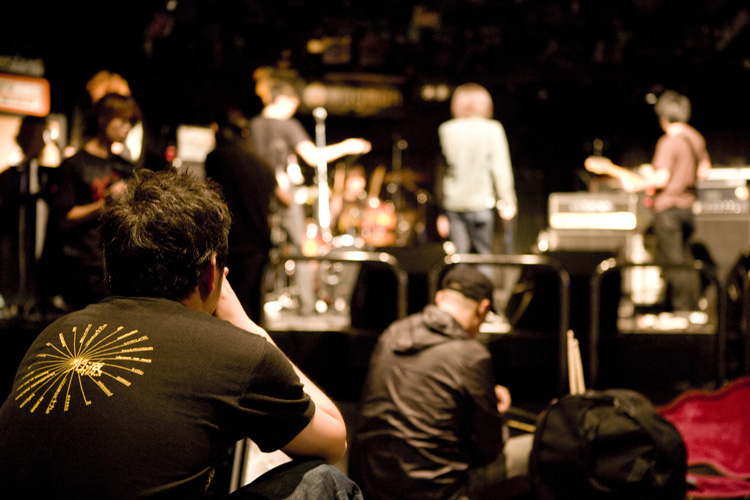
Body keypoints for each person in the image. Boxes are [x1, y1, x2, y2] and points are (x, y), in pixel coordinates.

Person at [0, 168, 360, 500]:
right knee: (326, 482)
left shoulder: (55, 335)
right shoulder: (237, 352)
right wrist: (248, 326)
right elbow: (334, 440)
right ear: (211, 271)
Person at [349, 264, 533, 500]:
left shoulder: (393, 333)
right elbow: (489, 448)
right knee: (533, 448)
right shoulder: (472, 355)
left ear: (439, 298)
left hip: (370, 485)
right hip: (437, 492)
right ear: (483, 308)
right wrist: (496, 412)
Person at [249, 76, 371, 315]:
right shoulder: (287, 125)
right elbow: (313, 157)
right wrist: (348, 146)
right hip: (284, 193)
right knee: (299, 249)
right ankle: (307, 306)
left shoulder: (253, 125)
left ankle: (256, 305)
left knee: (261, 249)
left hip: (258, 195)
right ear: (284, 101)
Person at [585, 89, 711, 315]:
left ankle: (683, 311)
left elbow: (661, 177)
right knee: (686, 259)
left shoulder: (668, 141)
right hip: (688, 207)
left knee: (673, 262)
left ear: (664, 117)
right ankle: (693, 309)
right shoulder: (696, 138)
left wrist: (638, 184)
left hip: (669, 208)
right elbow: (704, 171)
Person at [51, 92, 142, 311]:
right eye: (122, 120)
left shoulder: (126, 167)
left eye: (131, 122)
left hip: (117, 262)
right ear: (103, 118)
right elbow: (64, 218)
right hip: (83, 265)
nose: (127, 128)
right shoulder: (75, 164)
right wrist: (104, 203)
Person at [205, 107, 290, 323]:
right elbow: (285, 200)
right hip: (260, 244)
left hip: (234, 245)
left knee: (231, 310)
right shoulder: (260, 163)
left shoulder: (217, 158)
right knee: (254, 306)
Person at [437, 83, 517, 281]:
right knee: (485, 258)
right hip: (482, 204)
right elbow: (500, 168)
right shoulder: (492, 129)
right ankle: (485, 298)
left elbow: (442, 171)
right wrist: (507, 200)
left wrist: (441, 210)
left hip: (454, 204)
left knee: (459, 259)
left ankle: (458, 297)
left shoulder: (447, 129)